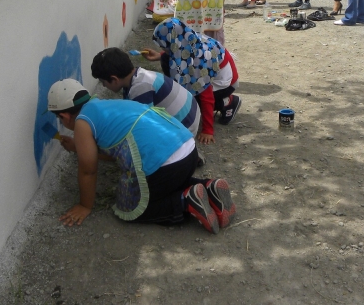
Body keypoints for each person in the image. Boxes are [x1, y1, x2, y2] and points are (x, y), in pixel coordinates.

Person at [50, 79, 236, 232]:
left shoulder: (83, 122)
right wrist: (79, 147)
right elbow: (116, 153)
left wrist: (85, 206)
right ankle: (207, 187)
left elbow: (88, 171)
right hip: (188, 152)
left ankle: (184, 201)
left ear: (64, 116)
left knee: (131, 207)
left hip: (167, 166)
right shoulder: (104, 106)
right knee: (165, 183)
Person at [144, 18, 241, 145]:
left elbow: (206, 97)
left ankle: (227, 102)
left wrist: (207, 130)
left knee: (194, 104)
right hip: (212, 75)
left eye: (165, 47)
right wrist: (160, 55)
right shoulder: (188, 39)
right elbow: (178, 52)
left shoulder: (199, 61)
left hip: (226, 84)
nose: (165, 50)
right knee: (167, 60)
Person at [91, 48, 199, 137]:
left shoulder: (140, 89)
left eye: (103, 82)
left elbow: (143, 125)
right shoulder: (138, 75)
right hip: (190, 113)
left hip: (185, 130)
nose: (104, 85)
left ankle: (187, 153)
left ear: (114, 79)